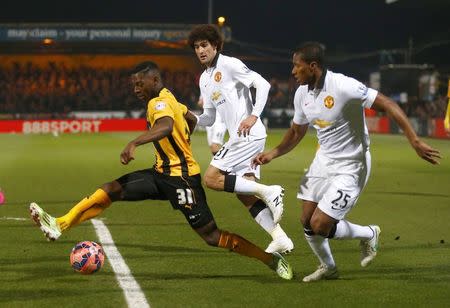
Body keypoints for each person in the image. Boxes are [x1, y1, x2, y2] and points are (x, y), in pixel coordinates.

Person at [29, 61, 293, 280]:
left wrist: (135, 141)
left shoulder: (158, 104)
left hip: (182, 181)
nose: (135, 89)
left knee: (212, 237)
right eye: (133, 85)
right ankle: (60, 223)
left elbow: (166, 125)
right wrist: (187, 128)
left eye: (139, 84)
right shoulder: (169, 98)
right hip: (160, 174)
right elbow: (186, 117)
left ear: (154, 80)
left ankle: (270, 259)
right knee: (112, 189)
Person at [252, 42, 441, 282]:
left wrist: (414, 141)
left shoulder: (344, 86)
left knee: (320, 224)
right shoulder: (301, 93)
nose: (292, 72)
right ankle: (328, 268)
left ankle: (369, 233)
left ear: (313, 66)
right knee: (305, 220)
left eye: (296, 66)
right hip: (323, 161)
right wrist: (273, 153)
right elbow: (297, 132)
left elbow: (389, 104)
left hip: (352, 165)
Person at [187, 24, 293, 254]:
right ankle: (279, 236)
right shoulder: (204, 80)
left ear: (215, 45)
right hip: (240, 138)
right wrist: (189, 116)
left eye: (204, 45)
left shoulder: (230, 64)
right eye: (196, 47)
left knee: (212, 179)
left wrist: (254, 115)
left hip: (247, 136)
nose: (200, 50)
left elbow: (262, 84)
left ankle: (269, 191)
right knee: (244, 194)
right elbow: (209, 117)